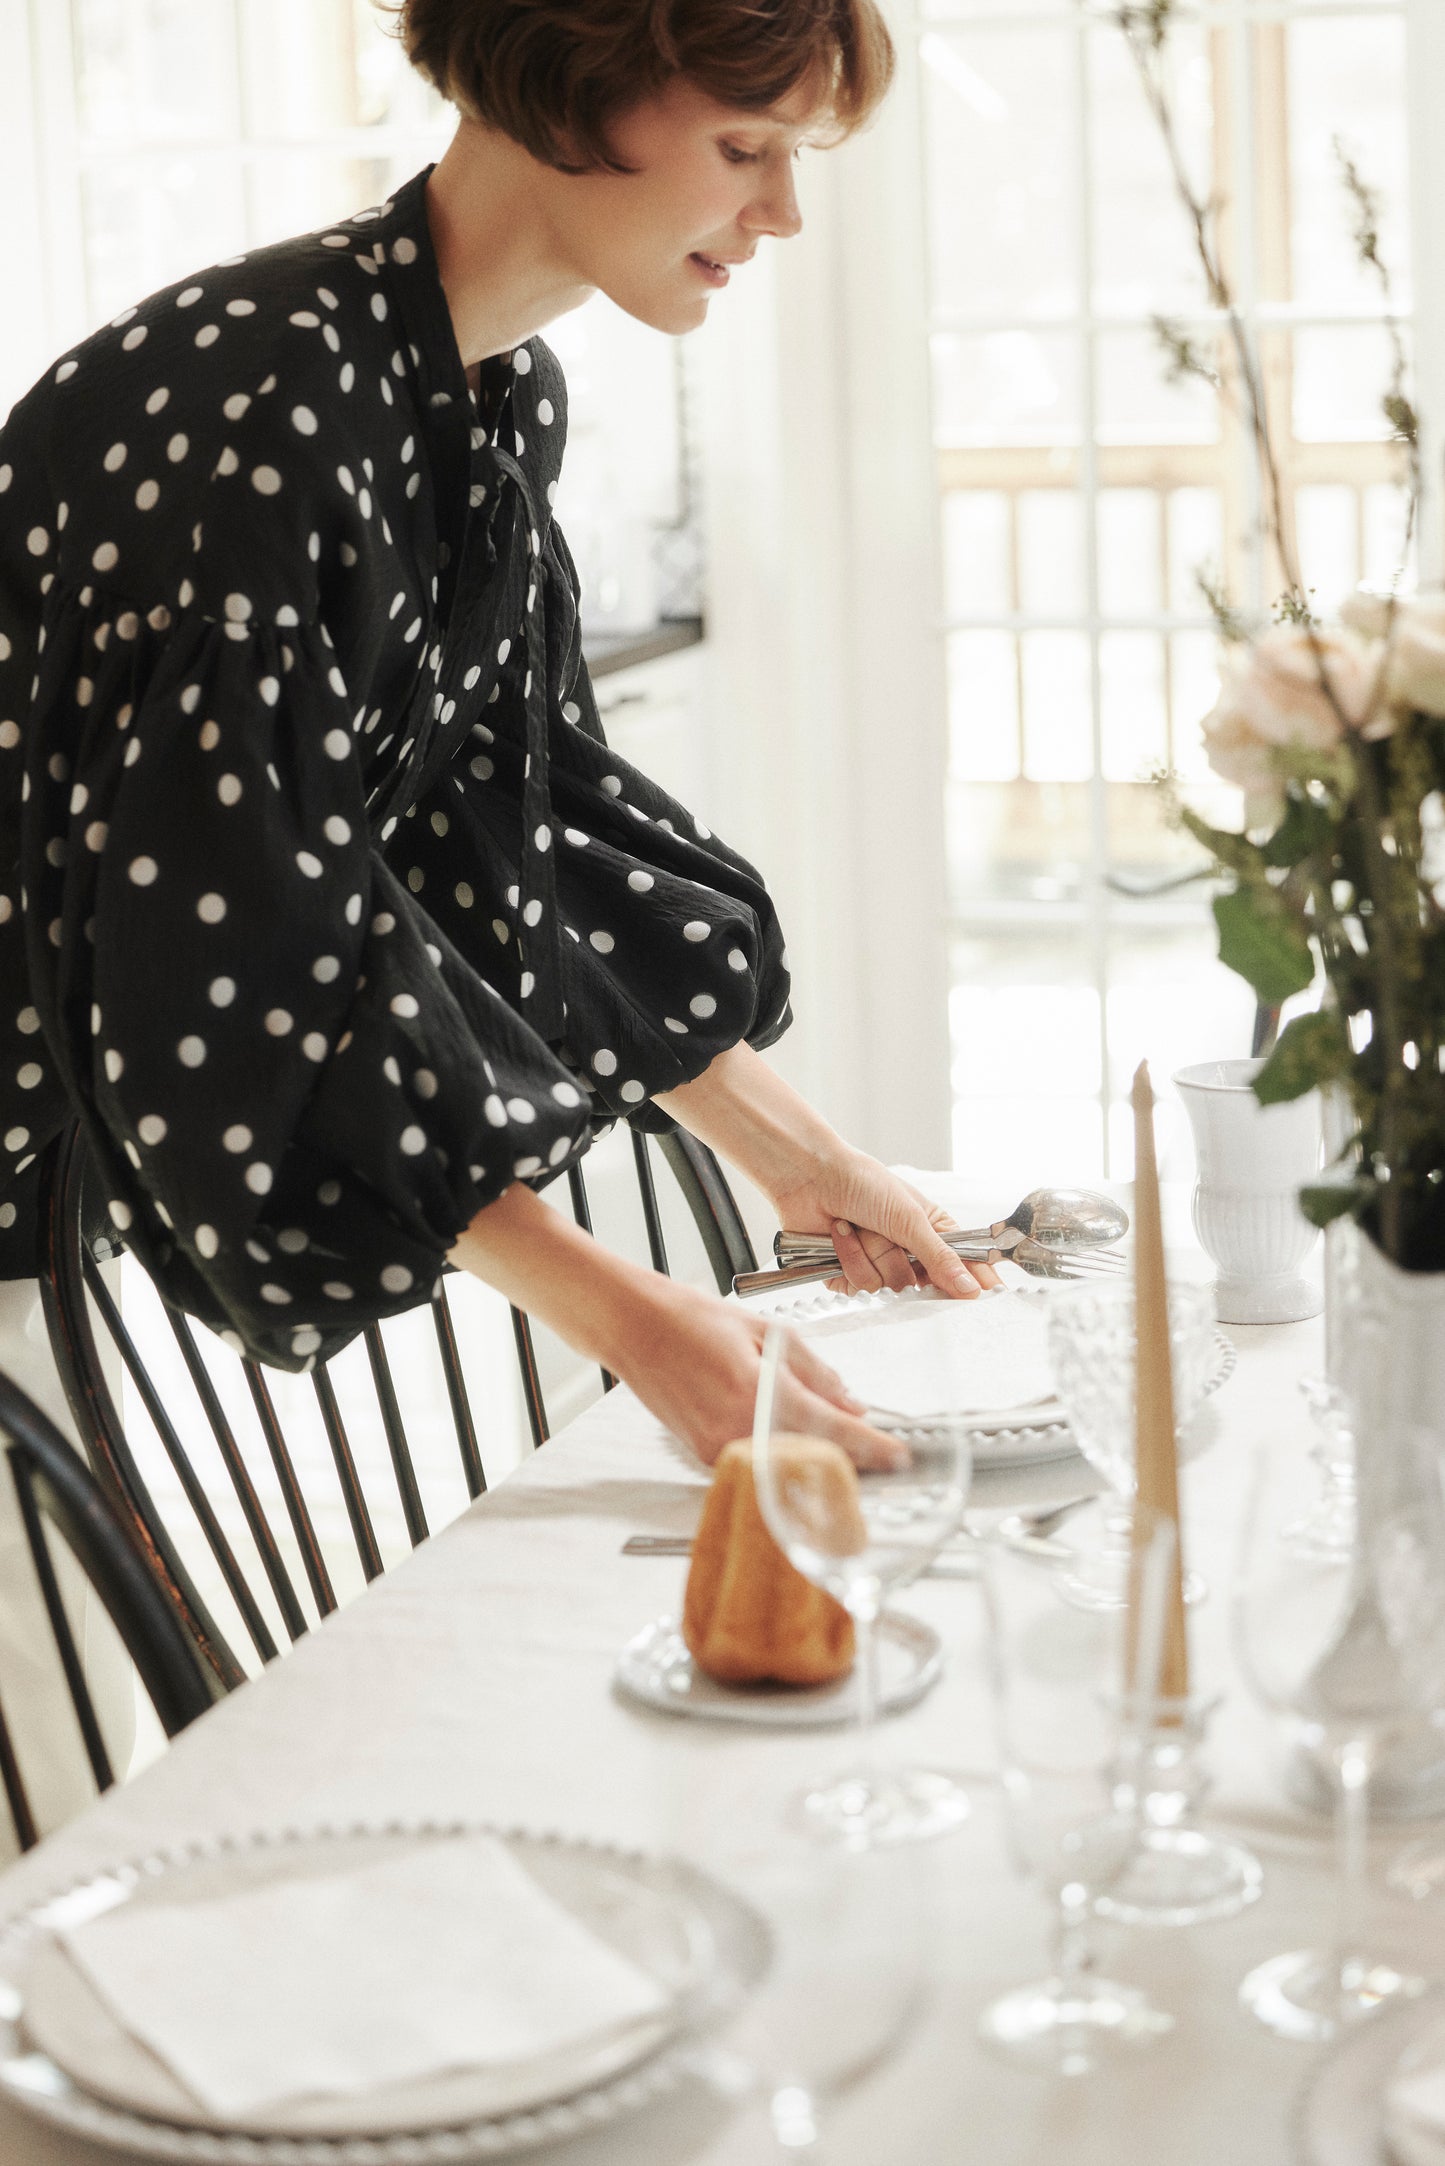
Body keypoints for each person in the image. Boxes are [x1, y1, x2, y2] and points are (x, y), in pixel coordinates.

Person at [0, 0, 995, 1479]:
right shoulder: (263, 408)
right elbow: (236, 951)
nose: (780, 210)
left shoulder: (481, 394)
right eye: (745, 146)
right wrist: (644, 1325)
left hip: (62, 1178)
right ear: (574, 88)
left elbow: (511, 834)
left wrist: (808, 1163)